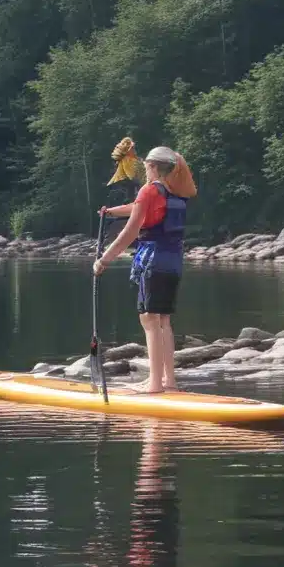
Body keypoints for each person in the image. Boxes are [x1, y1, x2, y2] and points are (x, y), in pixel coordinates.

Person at [93, 146, 191, 394]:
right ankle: (169, 381)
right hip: (173, 262)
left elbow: (130, 232)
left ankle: (154, 384)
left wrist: (104, 260)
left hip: (153, 261)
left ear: (154, 167)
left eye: (147, 165)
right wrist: (113, 211)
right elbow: (140, 207)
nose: (144, 169)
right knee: (163, 320)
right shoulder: (176, 190)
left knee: (149, 319)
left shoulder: (150, 190)